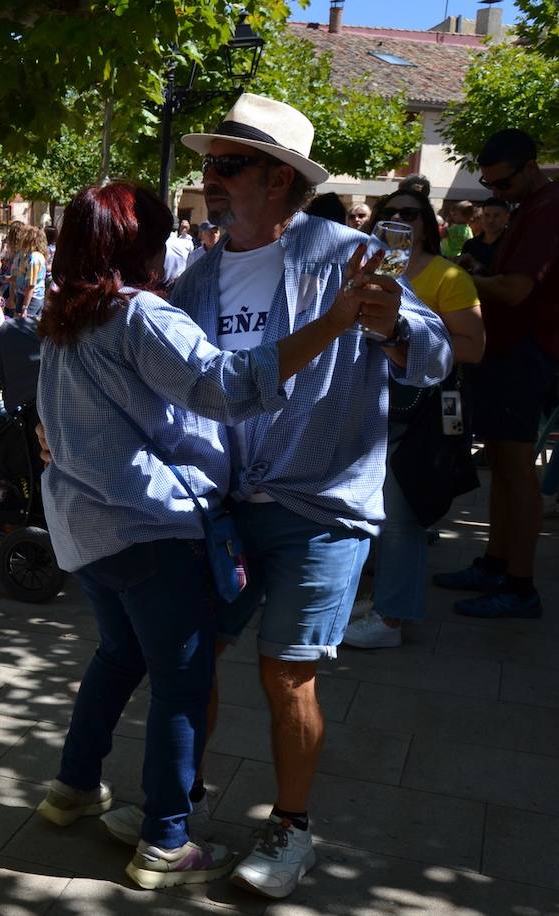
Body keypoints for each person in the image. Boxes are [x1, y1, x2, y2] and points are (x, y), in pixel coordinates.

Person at [33, 180, 381, 890]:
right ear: (139, 247)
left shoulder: (67, 318)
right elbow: (225, 385)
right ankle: (165, 841)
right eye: (160, 238)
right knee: (182, 684)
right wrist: (336, 320)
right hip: (148, 531)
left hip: (87, 531)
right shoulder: (137, 316)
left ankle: (71, 789)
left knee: (117, 657)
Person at [149, 93, 450, 898]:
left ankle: (291, 829)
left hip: (322, 502)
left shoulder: (351, 255)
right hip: (223, 502)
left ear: (279, 180)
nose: (210, 181)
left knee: (287, 673)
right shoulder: (199, 272)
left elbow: (435, 356)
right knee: (197, 654)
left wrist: (392, 326)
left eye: (229, 166)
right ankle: (178, 809)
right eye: (210, 165)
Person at [342, 189, 486, 649]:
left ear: (426, 221)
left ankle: (391, 619)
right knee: (367, 509)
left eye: (410, 213)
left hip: (419, 408)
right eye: (390, 212)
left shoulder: (449, 275)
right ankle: (383, 599)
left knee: (402, 514)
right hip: (365, 402)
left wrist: (405, 339)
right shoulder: (367, 266)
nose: (399, 219)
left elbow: (473, 347)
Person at [435, 129, 559, 619]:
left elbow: (514, 291)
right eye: (489, 186)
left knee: (515, 470)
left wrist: (460, 279)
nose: (497, 195)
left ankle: (520, 585)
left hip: (524, 354)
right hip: (508, 353)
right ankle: (496, 563)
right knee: (505, 471)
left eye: (502, 184)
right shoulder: (530, 206)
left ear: (530, 167)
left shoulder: (548, 210)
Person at [459, 197, 509, 275]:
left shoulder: (513, 245)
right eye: (487, 215)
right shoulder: (470, 245)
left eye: (496, 216)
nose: (490, 220)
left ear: (506, 218)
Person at [12, 226, 48, 319]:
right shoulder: (26, 255)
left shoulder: (35, 258)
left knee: (24, 328)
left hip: (32, 298)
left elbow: (31, 285)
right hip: (24, 295)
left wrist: (25, 307)